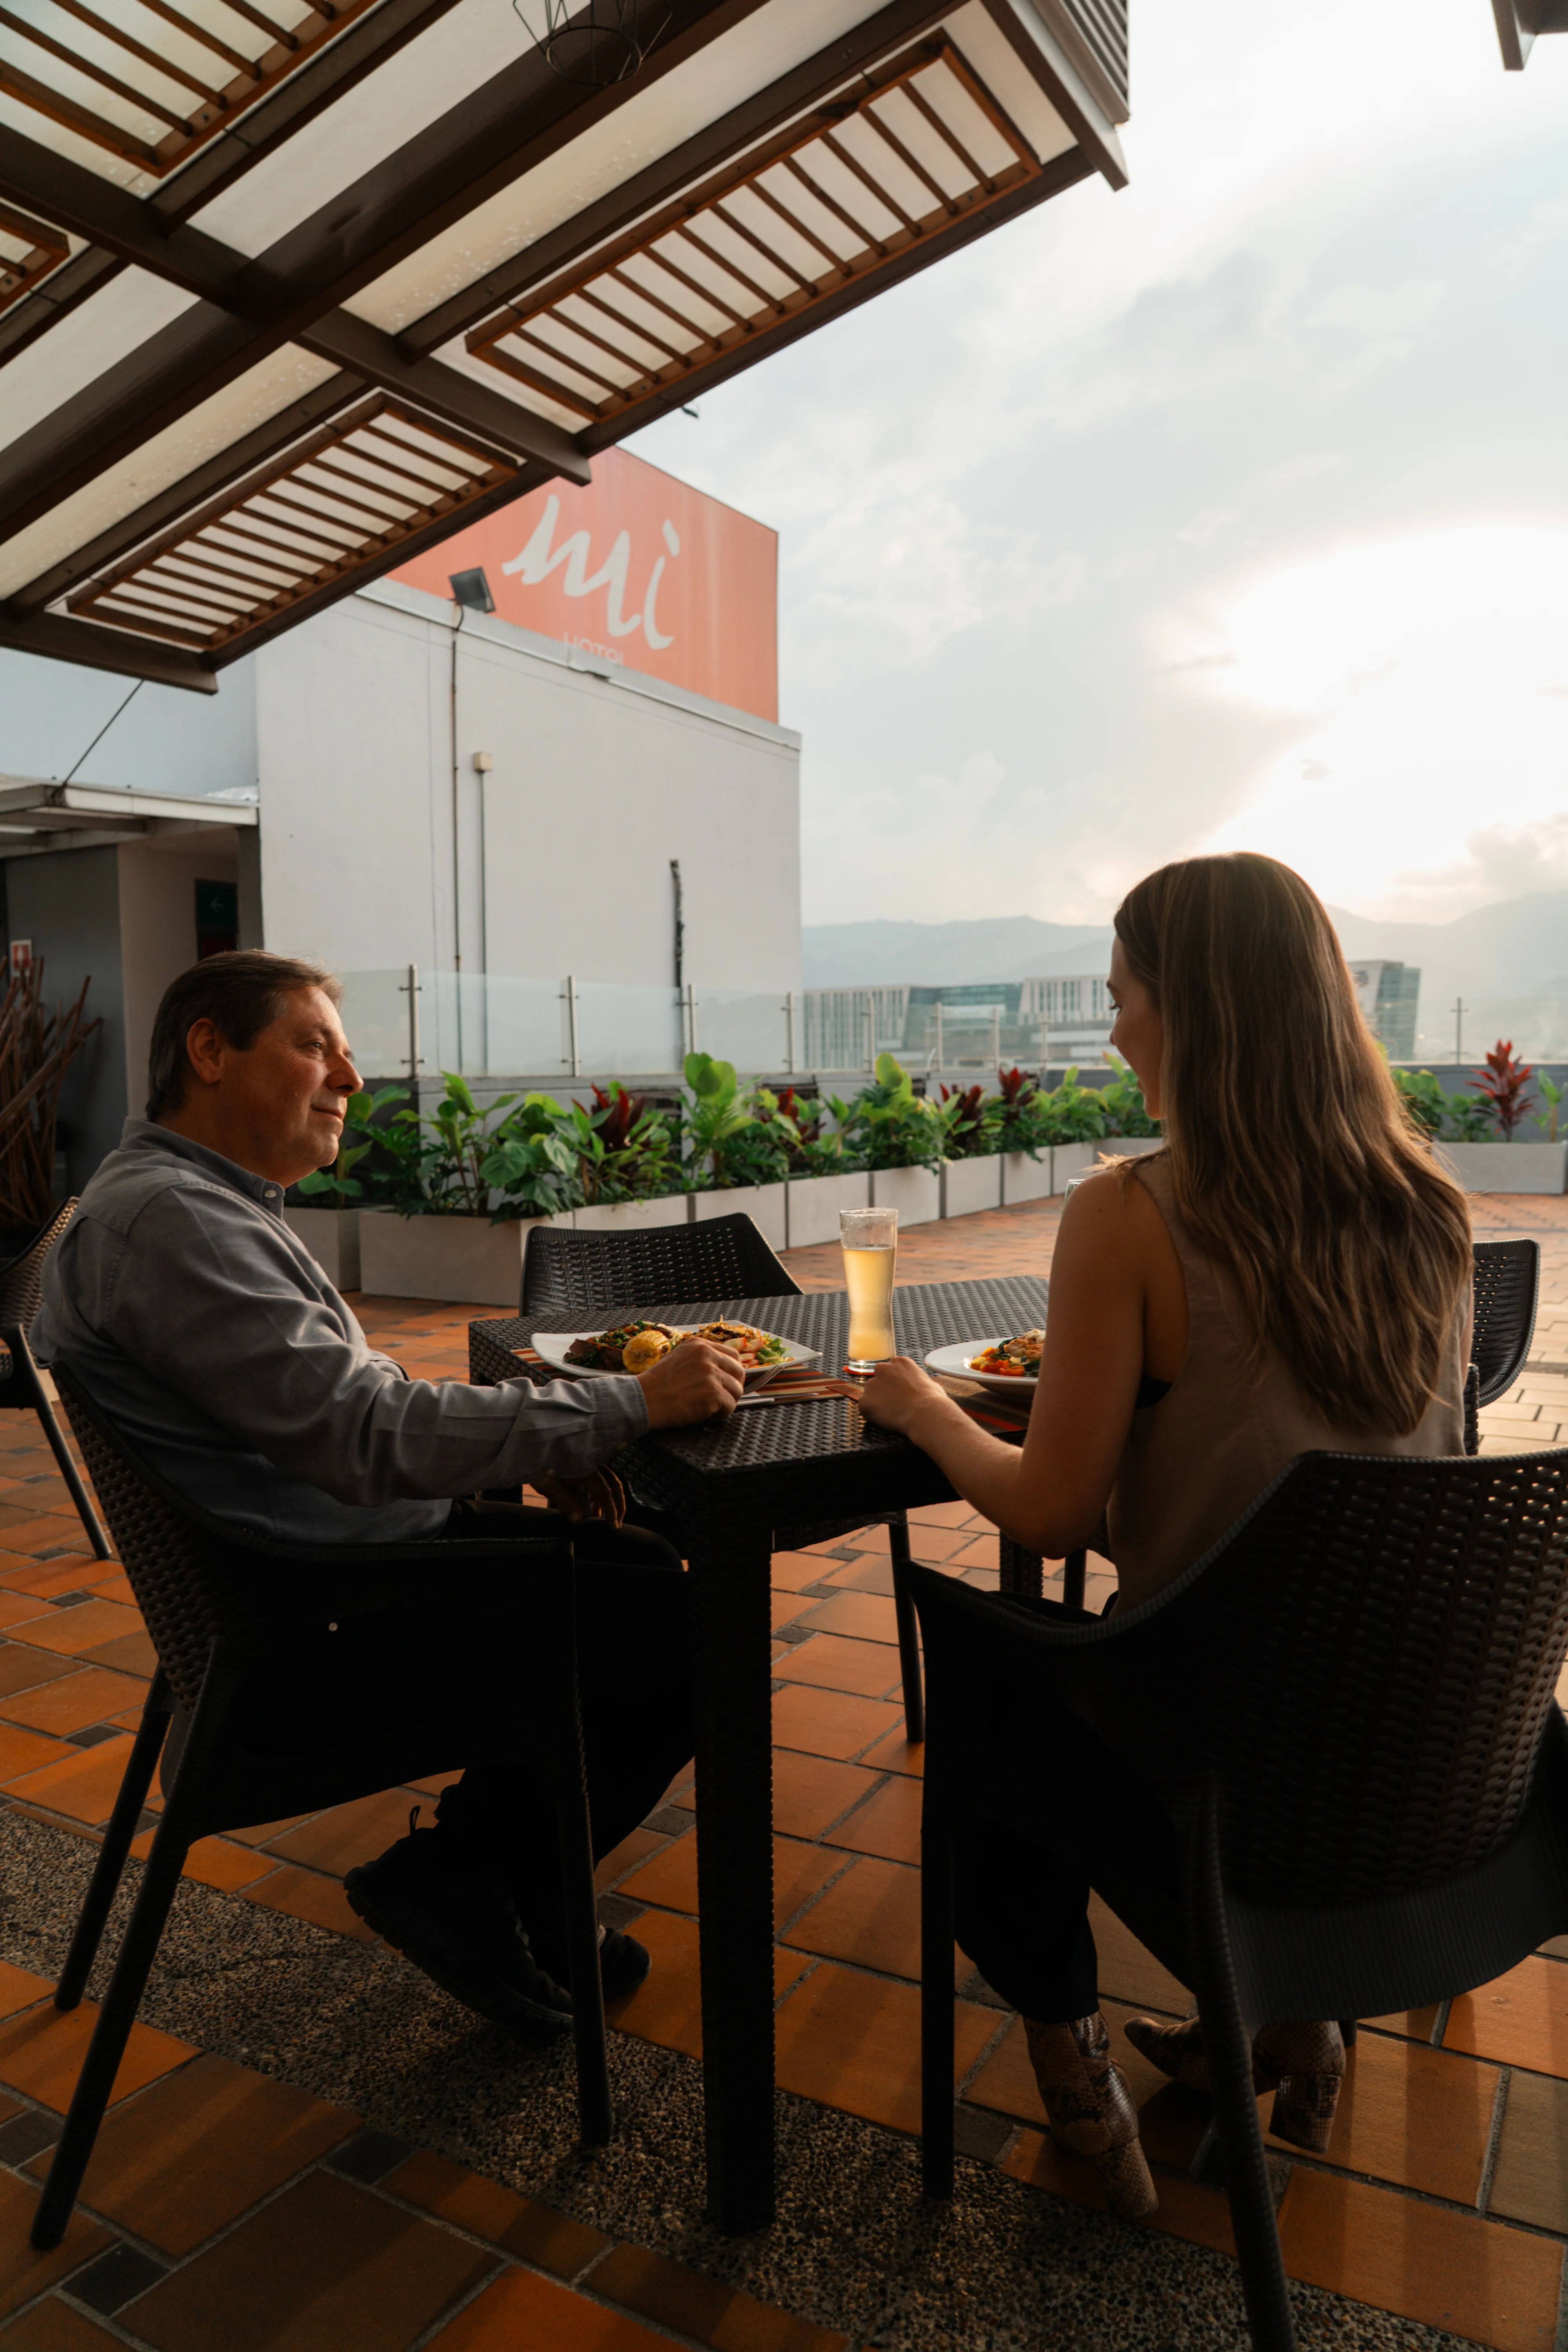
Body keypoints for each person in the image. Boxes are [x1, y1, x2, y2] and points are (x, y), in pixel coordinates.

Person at [857, 854, 1472, 2218]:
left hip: (1226, 1790)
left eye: (1127, 995)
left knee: (980, 1672)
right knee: (1182, 1656)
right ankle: (1284, 2012)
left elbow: (1050, 1512)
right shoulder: (1429, 1210)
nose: (1117, 1026)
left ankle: (1081, 2091)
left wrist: (918, 1406)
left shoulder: (1134, 1212)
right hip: (1419, 1772)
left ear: (1194, 1010)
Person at [34, 951, 745, 2041]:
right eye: (315, 1045)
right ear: (209, 1052)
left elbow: (354, 1402)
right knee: (681, 1625)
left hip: (320, 1578)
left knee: (638, 1558)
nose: (353, 1080)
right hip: (306, 1635)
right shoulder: (173, 1224)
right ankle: (464, 1874)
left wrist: (541, 1442)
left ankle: (517, 1883)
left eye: (348, 1053)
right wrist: (628, 1407)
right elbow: (364, 1434)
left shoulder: (197, 1205)